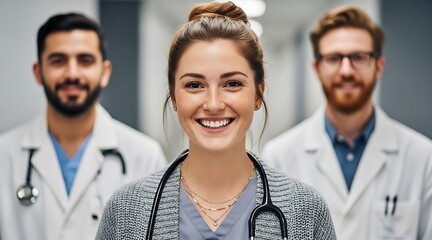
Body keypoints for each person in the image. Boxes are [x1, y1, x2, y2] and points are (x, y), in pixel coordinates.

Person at [96, 2, 336, 240]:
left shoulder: (306, 210)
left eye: (232, 84)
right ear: (173, 96)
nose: (213, 104)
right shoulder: (126, 211)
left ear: (258, 93)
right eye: (194, 85)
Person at [262, 5, 432, 240]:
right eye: (334, 58)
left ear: (379, 66)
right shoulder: (278, 157)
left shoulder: (421, 156)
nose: (346, 70)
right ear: (317, 68)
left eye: (358, 57)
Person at [0, 13, 167, 240]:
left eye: (85, 60)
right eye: (58, 60)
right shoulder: (4, 156)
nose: (72, 73)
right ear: (39, 73)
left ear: (105, 72)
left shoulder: (145, 157)